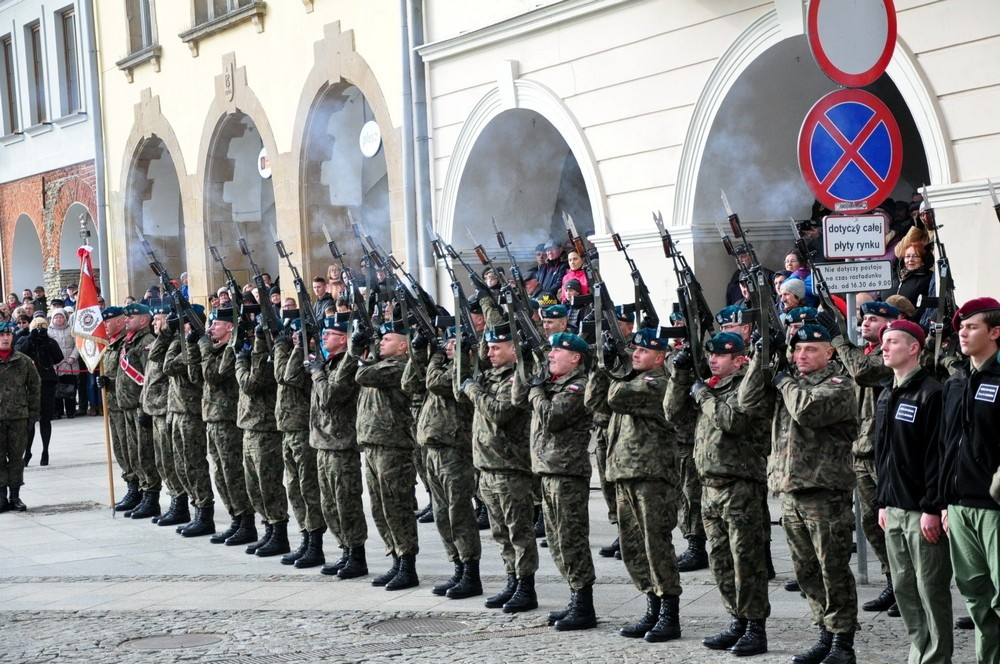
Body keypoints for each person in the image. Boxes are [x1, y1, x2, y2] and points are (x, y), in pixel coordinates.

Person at [740, 324, 860, 664]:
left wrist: (783, 381)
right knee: (806, 571)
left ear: (829, 353)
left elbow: (807, 411)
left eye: (810, 349)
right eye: (797, 349)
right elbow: (746, 401)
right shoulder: (792, 384)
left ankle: (842, 641)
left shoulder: (838, 385)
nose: (801, 355)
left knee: (832, 570)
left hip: (825, 494)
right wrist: (760, 359)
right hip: (792, 493)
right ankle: (825, 632)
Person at [666, 331, 771, 656]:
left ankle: (755, 627)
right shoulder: (707, 386)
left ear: (739, 360)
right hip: (708, 487)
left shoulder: (746, 385)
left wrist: (702, 395)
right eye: (710, 354)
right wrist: (680, 375)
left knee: (746, 560)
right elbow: (672, 412)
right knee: (721, 560)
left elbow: (732, 421)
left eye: (721, 355)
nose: (713, 360)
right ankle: (737, 620)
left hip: (740, 485)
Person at [874, 319, 952, 663]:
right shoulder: (887, 393)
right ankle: (919, 652)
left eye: (892, 341)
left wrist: (933, 506)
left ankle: (936, 657)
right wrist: (882, 501)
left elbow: (937, 455)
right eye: (884, 341)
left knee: (930, 590)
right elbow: (882, 454)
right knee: (904, 588)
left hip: (922, 511)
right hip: (893, 508)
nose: (884, 347)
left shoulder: (932, 393)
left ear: (914, 348)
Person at [513, 332, 596, 630]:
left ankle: (584, 605)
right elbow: (518, 399)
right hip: (547, 471)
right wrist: (525, 367)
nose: (551, 355)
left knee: (571, 540)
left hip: (567, 474)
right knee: (558, 542)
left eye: (557, 351)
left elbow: (551, 417)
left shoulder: (578, 386)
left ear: (575, 358)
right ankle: (575, 598)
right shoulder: (551, 383)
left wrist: (537, 390)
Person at [605, 327, 682, 643]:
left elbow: (614, 397)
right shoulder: (632, 380)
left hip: (652, 477)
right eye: (633, 350)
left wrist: (616, 369)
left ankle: (669, 614)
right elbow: (596, 399)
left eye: (642, 351)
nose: (635, 354)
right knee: (633, 547)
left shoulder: (658, 384)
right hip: (625, 474)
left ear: (660, 358)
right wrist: (609, 364)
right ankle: (652, 605)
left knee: (656, 546)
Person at [461, 322, 538, 612]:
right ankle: (512, 580)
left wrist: (473, 390)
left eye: (496, 348)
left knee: (519, 533)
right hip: (487, 466)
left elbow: (499, 412)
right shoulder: (489, 376)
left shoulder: (517, 378)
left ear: (513, 349)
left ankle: (526, 587)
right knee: (500, 533)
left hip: (510, 467)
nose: (490, 353)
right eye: (489, 347)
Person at [940, 298, 1000, 662]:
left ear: (995, 332)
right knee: (976, 597)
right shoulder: (958, 380)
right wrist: (944, 502)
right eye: (961, 327)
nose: (962, 333)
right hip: (960, 506)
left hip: (994, 507)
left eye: (972, 327)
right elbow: (946, 444)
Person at [830, 301, 898, 616]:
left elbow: (863, 372)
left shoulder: (892, 353)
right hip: (859, 448)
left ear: (890, 323)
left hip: (884, 451)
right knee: (871, 522)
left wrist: (839, 340)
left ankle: (906, 584)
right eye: (863, 318)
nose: (865, 323)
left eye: (873, 318)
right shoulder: (862, 352)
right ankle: (892, 580)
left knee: (892, 523)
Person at [406, 326, 482, 599]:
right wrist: (420, 351)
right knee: (441, 514)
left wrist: (437, 356)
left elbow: (435, 382)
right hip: (432, 448)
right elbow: (410, 383)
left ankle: (471, 572)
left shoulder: (466, 371)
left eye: (452, 344)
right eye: (446, 343)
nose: (447, 347)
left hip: (455, 450)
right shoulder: (442, 367)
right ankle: (457, 566)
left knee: (458, 513)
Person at [354, 321, 420, 590]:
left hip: (394, 447)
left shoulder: (400, 366)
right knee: (380, 508)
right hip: (373, 445)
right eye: (380, 339)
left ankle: (407, 564)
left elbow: (363, 375)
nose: (381, 343)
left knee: (396, 507)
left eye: (387, 339)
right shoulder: (380, 364)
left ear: (403, 346)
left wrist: (360, 351)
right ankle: (395, 558)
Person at [310, 315, 368, 578]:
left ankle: (356, 555)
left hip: (341, 443)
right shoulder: (330, 362)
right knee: (329, 504)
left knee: (346, 502)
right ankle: (344, 549)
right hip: (323, 442)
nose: (324, 337)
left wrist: (317, 373)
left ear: (344, 339)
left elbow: (330, 397)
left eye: (330, 333)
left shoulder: (348, 362)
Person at [200, 308, 256, 546]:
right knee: (221, 473)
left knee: (232, 472)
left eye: (216, 324)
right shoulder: (217, 349)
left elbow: (214, 375)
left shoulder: (232, 349)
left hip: (227, 419)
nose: (211, 328)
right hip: (213, 417)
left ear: (230, 327)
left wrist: (204, 348)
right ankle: (236, 518)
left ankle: (246, 522)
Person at [273, 320, 325, 568]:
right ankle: (305, 536)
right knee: (294, 488)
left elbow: (290, 377)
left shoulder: (314, 359)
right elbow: (279, 373)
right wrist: (284, 346)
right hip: (288, 429)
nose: (296, 337)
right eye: (294, 334)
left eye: (301, 334)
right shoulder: (296, 354)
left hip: (304, 429)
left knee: (308, 489)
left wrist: (298, 348)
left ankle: (315, 543)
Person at [233, 326, 289, 557]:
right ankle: (268, 528)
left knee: (268, 485)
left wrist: (241, 361)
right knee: (253, 485)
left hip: (265, 427)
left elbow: (251, 383)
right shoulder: (259, 354)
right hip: (250, 425)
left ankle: (279, 533)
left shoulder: (266, 357)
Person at [164, 307, 215, 537]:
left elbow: (171, 367)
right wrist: (179, 339)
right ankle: (196, 509)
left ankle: (204, 513)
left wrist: (189, 343)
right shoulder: (185, 343)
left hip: (191, 412)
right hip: (177, 410)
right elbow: (163, 361)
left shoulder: (201, 347)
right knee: (181, 465)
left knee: (194, 464)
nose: (180, 328)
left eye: (183, 323)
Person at [117, 302, 162, 519]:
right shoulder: (129, 340)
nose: (126, 320)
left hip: (139, 406)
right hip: (128, 406)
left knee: (145, 454)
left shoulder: (146, 342)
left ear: (143, 320)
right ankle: (141, 493)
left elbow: (148, 378)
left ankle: (150, 497)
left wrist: (145, 406)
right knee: (133, 453)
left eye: (131, 317)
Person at [0, 321, 41, 512]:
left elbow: (34, 387)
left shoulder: (23, 360)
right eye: (1, 335)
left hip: (18, 417)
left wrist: (33, 414)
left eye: (8, 335)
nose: (5, 338)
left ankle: (15, 496)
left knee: (17, 457)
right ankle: (1, 496)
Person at [15, 317, 62, 467]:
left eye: (43, 327)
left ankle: (45, 451)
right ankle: (27, 452)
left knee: (45, 419)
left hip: (47, 382)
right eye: (37, 327)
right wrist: (31, 338)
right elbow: (18, 353)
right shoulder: (24, 339)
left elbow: (58, 357)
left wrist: (46, 341)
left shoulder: (50, 341)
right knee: (30, 420)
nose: (40, 330)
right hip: (29, 384)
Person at [46, 308, 79, 419]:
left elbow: (77, 345)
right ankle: (57, 411)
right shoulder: (49, 331)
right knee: (57, 389)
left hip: (70, 363)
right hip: (56, 365)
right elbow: (47, 348)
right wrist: (54, 360)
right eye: (56, 317)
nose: (58, 319)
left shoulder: (71, 329)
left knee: (71, 387)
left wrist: (73, 357)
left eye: (61, 317)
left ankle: (71, 411)